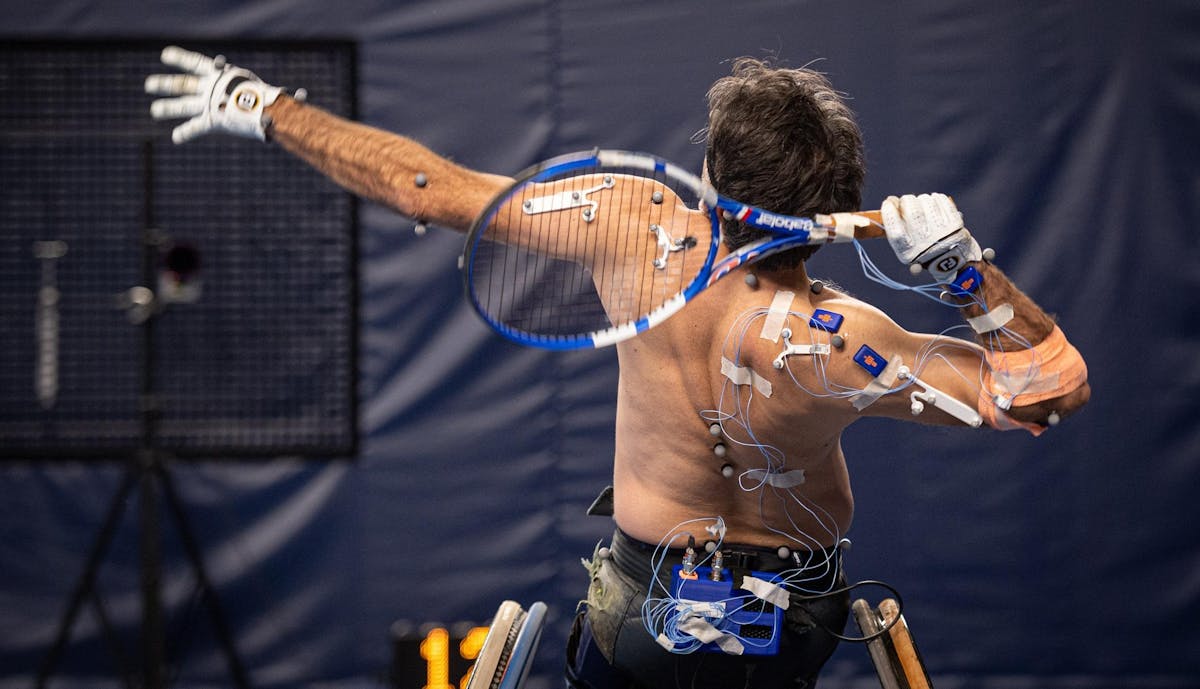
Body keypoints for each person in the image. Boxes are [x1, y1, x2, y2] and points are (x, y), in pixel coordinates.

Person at [146, 49, 1089, 688]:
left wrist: (267, 109)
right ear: (837, 203)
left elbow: (424, 189)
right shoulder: (845, 340)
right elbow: (1046, 393)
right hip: (792, 627)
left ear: (711, 178)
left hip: (643, 613)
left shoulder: (633, 230)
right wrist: (971, 278)